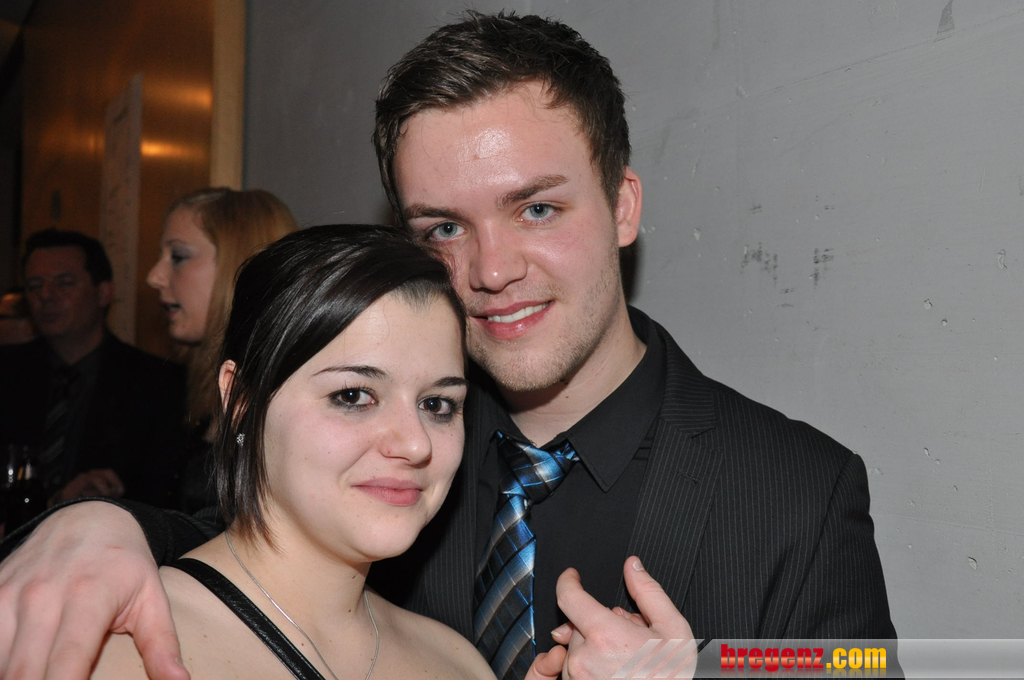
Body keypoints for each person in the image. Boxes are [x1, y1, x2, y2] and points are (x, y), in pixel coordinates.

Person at [0, 11, 895, 680]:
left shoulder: (796, 498)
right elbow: (255, 547)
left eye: (536, 208)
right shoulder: (404, 449)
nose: (491, 270)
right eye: (443, 228)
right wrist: (102, 526)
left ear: (623, 207)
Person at [91, 223, 564, 679]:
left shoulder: (458, 662)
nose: (416, 443)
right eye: (353, 396)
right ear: (240, 402)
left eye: (437, 404)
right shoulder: (124, 648)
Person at [0, 229, 185, 510]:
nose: (46, 295)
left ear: (103, 293)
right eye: (35, 285)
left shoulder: (157, 383)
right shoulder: (8, 372)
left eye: (65, 283)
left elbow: (164, 493)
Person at [146, 188, 298, 511]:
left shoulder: (282, 399)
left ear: (238, 265)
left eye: (178, 257)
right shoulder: (174, 384)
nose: (154, 277)